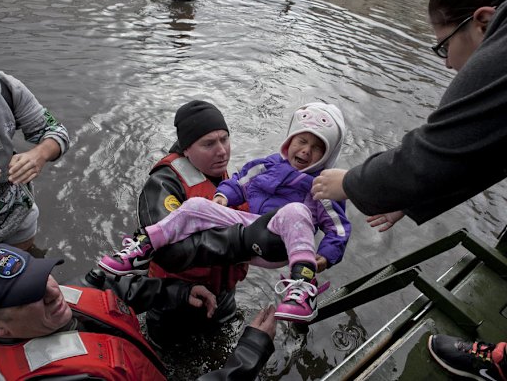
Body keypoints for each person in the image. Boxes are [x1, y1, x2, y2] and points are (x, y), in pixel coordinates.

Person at [311, 0, 507, 379]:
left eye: (444, 45)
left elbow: (433, 151)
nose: (448, 62)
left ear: (483, 21)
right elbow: (495, 148)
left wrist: (349, 182)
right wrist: (411, 199)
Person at [100, 102, 351, 323]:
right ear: (186, 149)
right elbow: (172, 253)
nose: (222, 151)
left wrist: (326, 255)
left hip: (224, 290)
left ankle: (302, 288)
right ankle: (141, 246)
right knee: (196, 205)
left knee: (295, 211)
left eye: (225, 139)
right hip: (175, 298)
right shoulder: (163, 184)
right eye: (209, 143)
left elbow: (338, 226)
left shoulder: (221, 172)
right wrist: (245, 240)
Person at [0, 244, 276, 380]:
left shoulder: (37, 310)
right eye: (30, 294)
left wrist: (177, 292)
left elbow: (109, 294)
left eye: (42, 275)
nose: (53, 291)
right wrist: (249, 351)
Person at [0, 3, 70, 268]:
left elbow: (56, 131)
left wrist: (38, 155)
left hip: (18, 224)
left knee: (32, 289)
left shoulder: (8, 88)